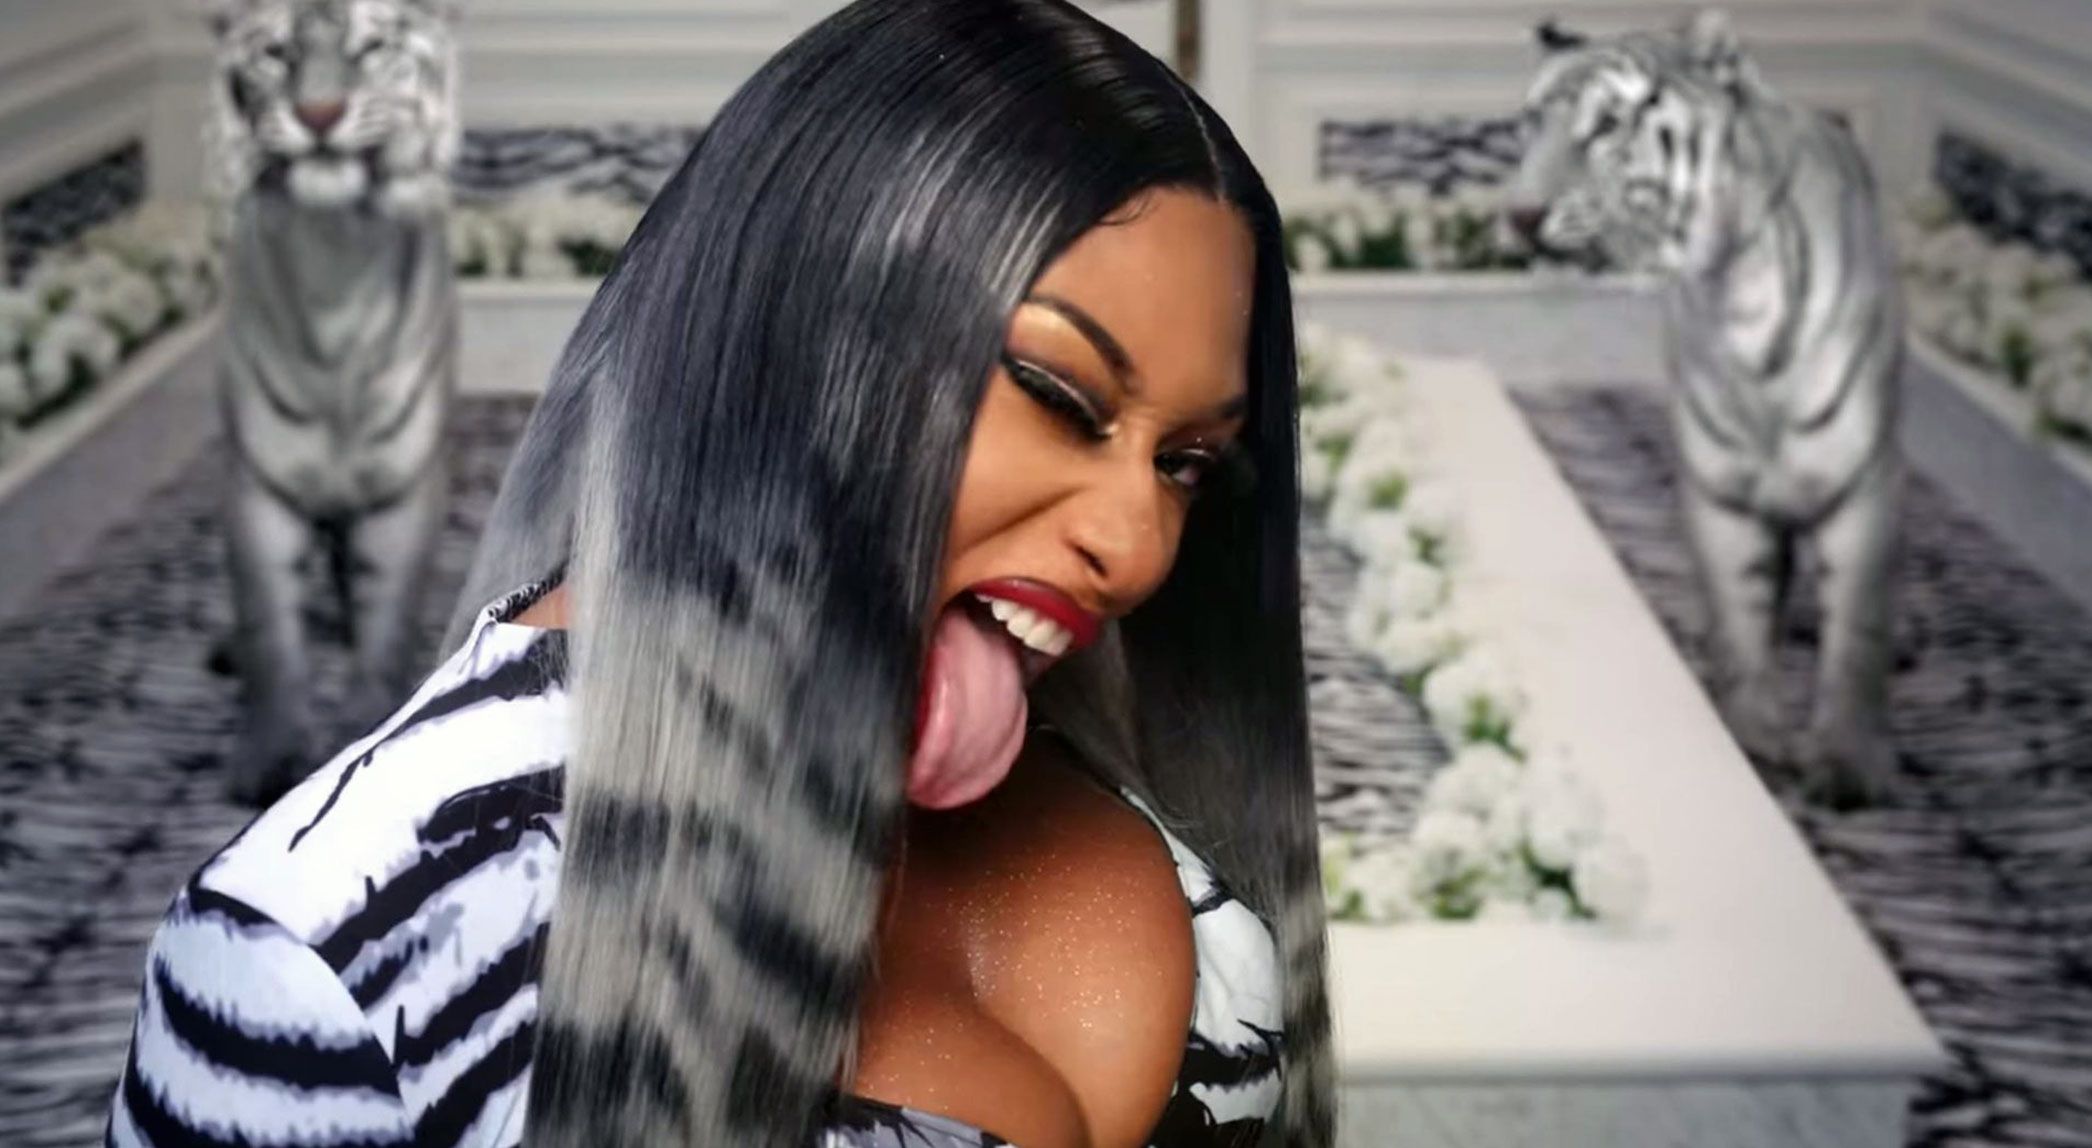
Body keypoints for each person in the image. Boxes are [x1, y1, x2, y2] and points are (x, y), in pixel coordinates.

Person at [104, 2, 1331, 1145]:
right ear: (795, 326)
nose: (1137, 543)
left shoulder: (1111, 785)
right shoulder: (325, 950)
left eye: (1184, 462)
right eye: (1060, 394)